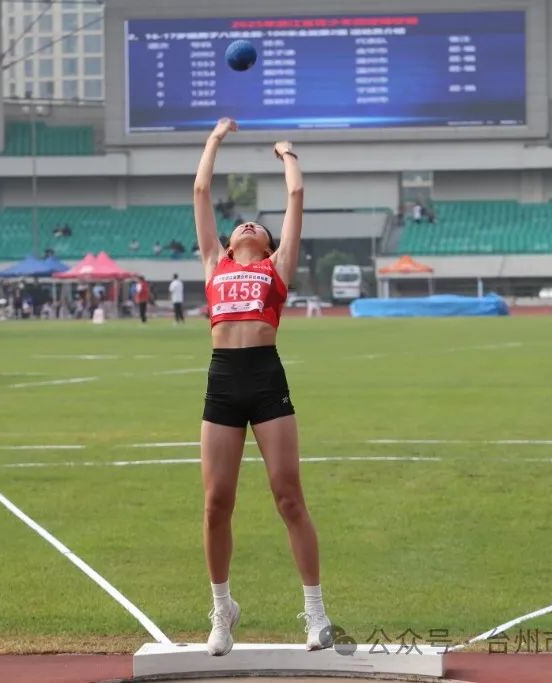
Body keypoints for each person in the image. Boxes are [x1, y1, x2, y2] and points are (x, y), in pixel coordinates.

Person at [192, 117, 333, 656]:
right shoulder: (214, 263)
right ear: (228, 243)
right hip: (223, 379)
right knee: (216, 503)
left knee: (289, 497)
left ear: (270, 243)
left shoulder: (278, 267)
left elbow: (295, 195)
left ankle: (315, 612)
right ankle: (222, 609)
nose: (248, 225)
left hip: (266, 377)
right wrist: (215, 139)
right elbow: (201, 189)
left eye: (257, 226)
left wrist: (287, 153)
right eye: (240, 225)